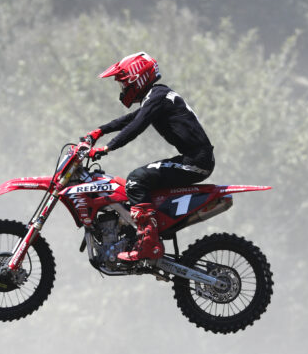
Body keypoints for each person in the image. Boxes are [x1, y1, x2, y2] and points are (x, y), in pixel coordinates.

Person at [81, 52, 215, 262]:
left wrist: (107, 147)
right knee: (137, 181)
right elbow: (131, 118)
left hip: (196, 162)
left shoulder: (158, 95)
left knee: (135, 180)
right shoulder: (155, 97)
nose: (123, 89)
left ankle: (149, 243)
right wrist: (99, 131)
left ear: (137, 77)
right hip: (194, 159)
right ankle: (143, 232)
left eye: (124, 83)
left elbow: (137, 125)